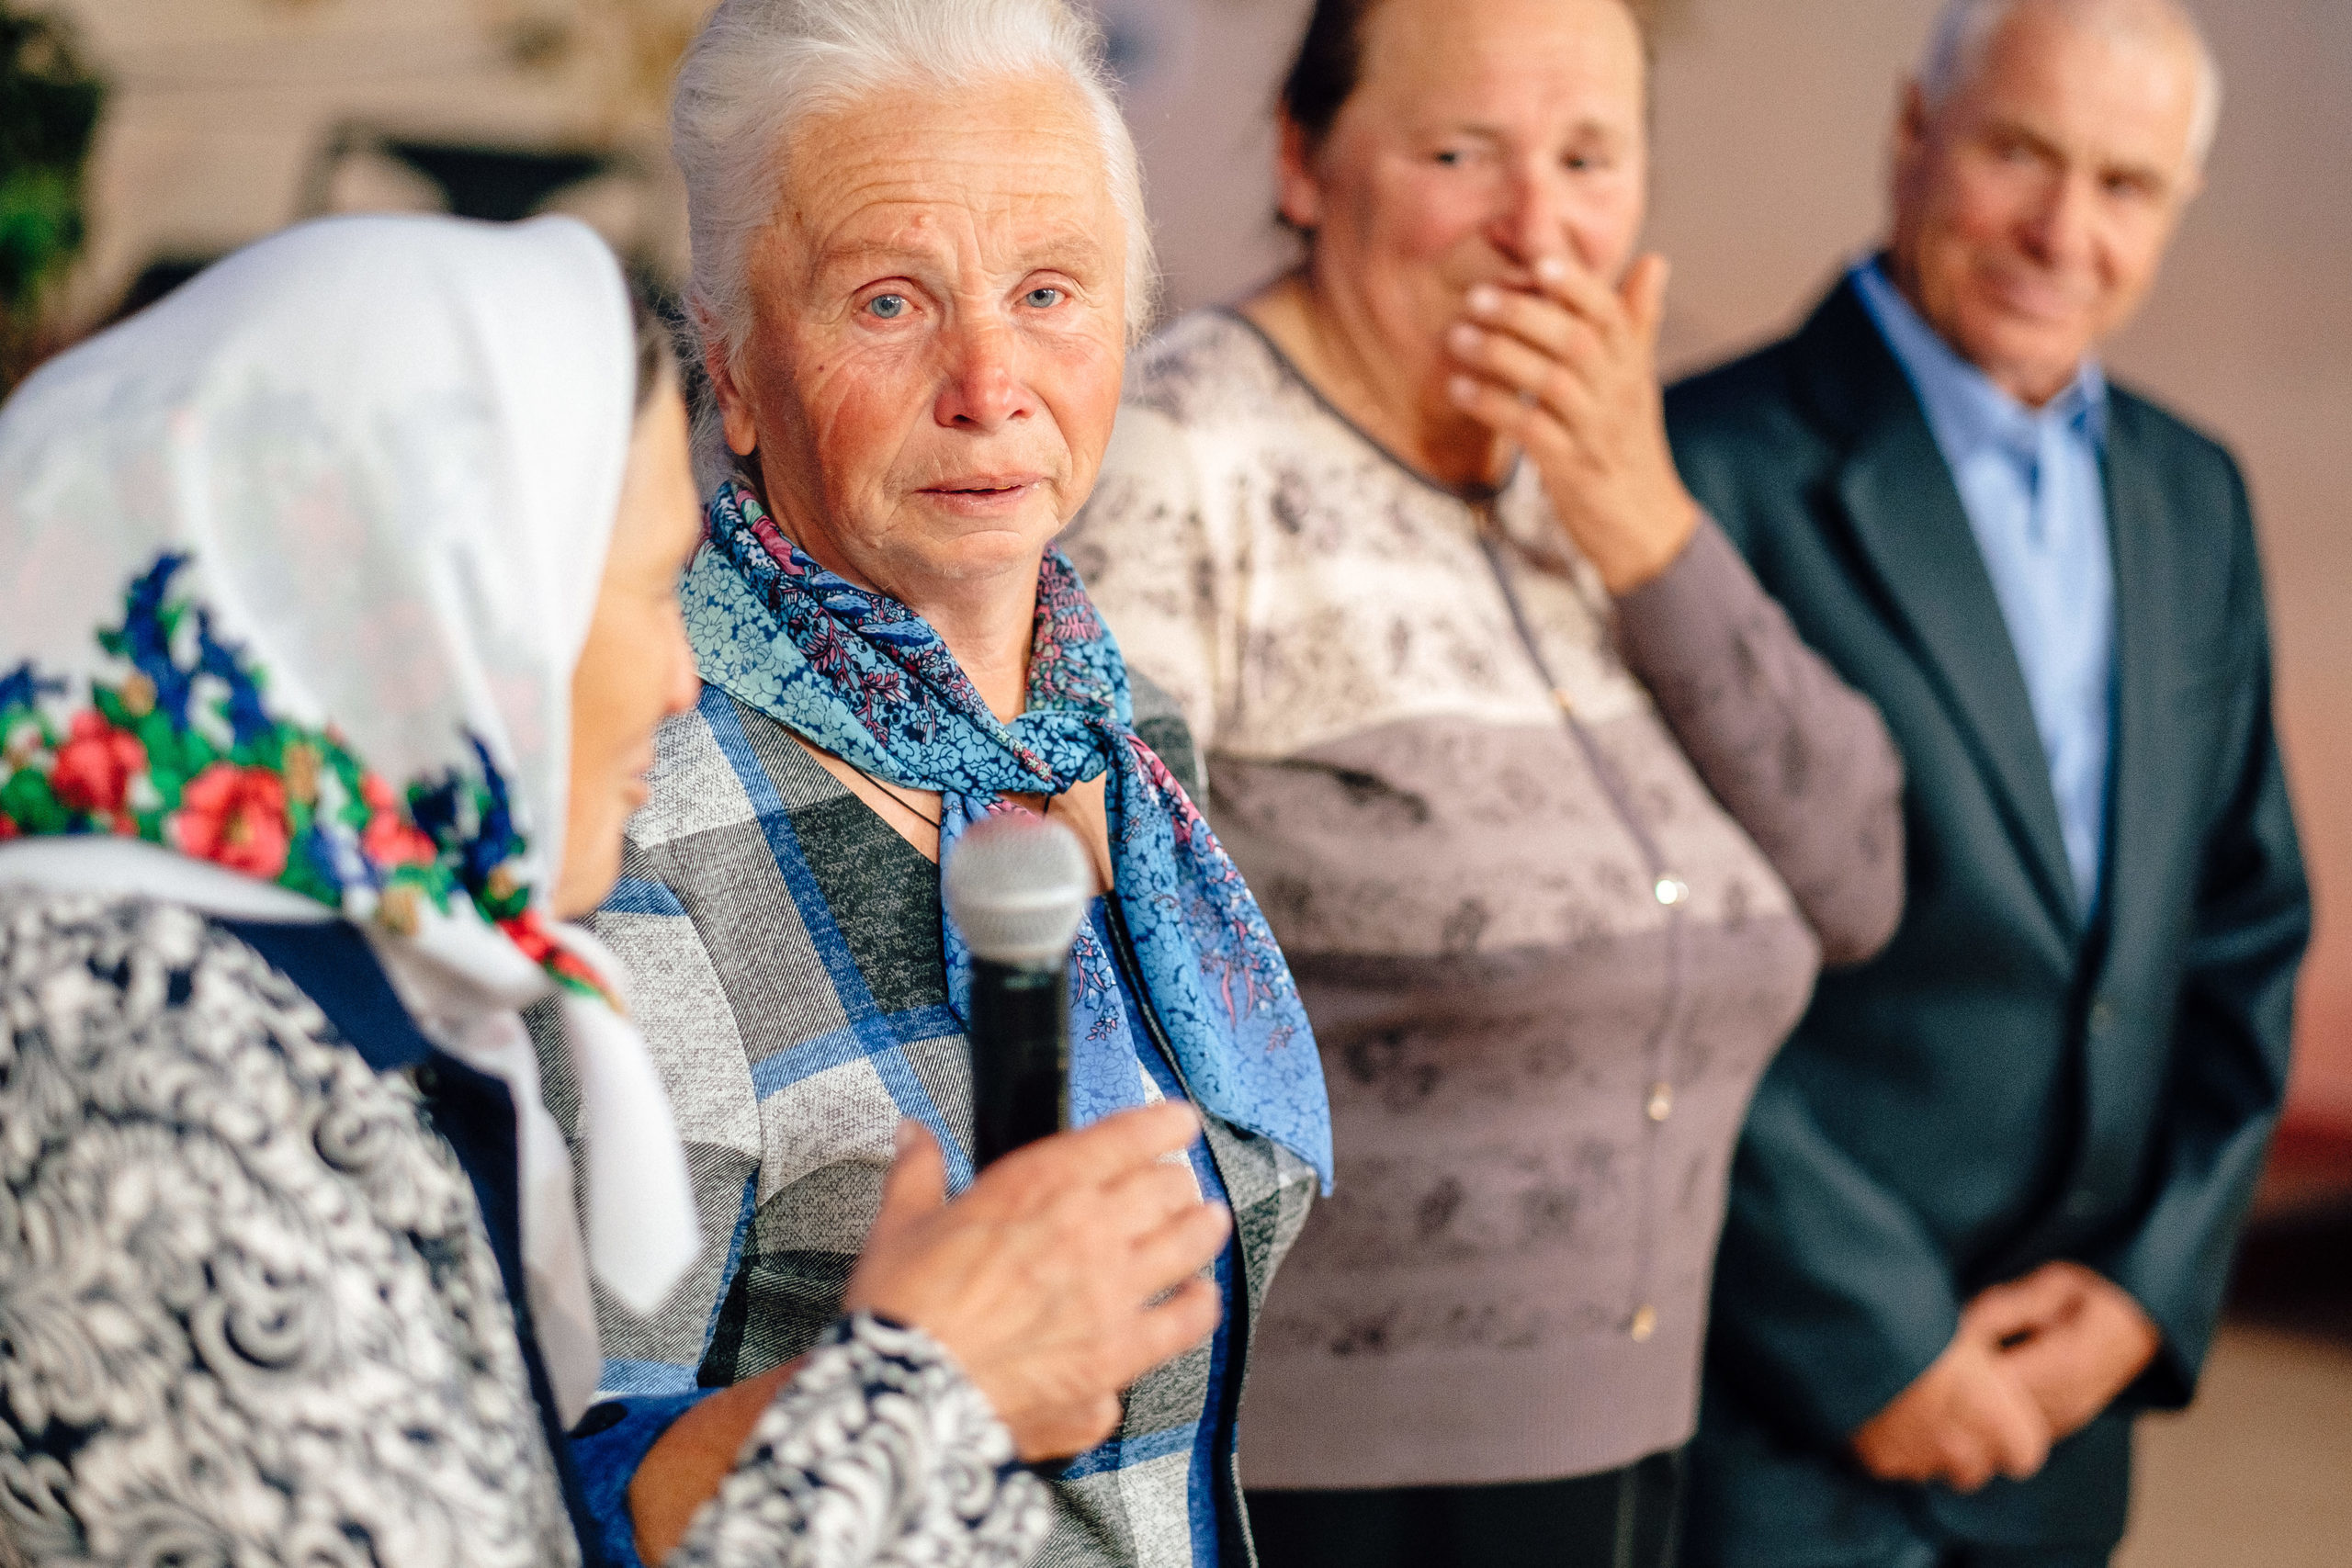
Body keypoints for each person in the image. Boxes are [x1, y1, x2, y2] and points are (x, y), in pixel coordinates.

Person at [0, 212, 1238, 1568]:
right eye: (651, 591)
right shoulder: (134, 1066)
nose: (681, 679)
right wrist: (926, 1394)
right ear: (436, 606)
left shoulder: (265, 991)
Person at [1058, 0, 1906, 1562]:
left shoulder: (1604, 475)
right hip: (1305, 1479)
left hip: (1637, 1450)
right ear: (1307, 163)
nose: (1537, 228)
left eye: (1589, 156)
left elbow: (1859, 874)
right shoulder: (1180, 457)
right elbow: (1087, 991)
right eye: (1462, 153)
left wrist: (1645, 521)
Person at [572, 3, 1335, 1565]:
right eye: (888, 301)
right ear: (731, 369)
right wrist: (925, 1378)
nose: (990, 381)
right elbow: (582, 1495)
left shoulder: (1122, 747)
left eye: (1050, 291)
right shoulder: (630, 823)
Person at [1663, 3, 2311, 1564]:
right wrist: (1874, 1343)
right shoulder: (1696, 474)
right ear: (1913, 132)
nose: (2062, 232)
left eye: (2125, 185)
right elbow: (1670, 973)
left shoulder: (2193, 495)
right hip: (1775, 1420)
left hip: (2062, 1424)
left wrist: (2147, 1295)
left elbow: (2241, 927)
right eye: (2020, 152)